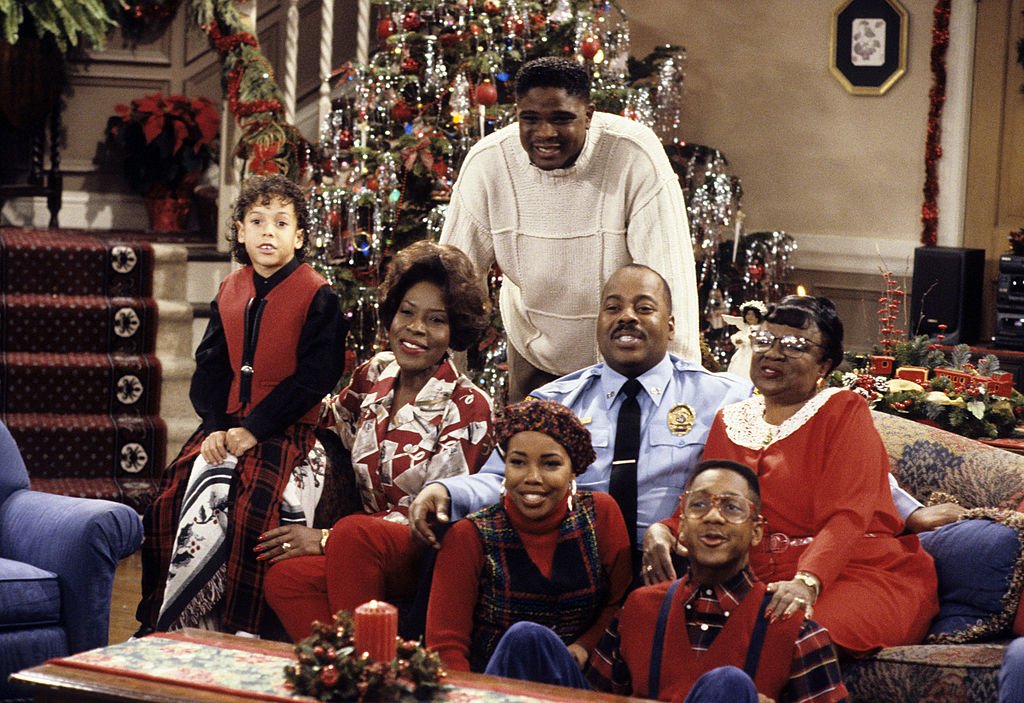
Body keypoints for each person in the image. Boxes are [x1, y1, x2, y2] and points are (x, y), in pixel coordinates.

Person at [643, 296, 939, 657]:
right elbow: (709, 501)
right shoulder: (730, 420)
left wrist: (807, 581)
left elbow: (848, 514)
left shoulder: (843, 411)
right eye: (765, 341)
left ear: (824, 365)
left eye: (795, 346)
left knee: (779, 632)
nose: (773, 354)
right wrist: (665, 529)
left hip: (858, 574)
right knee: (648, 614)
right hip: (756, 581)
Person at [410, 264, 752, 569]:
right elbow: (502, 478)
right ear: (600, 323)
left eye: (644, 308)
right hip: (575, 570)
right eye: (613, 308)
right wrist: (446, 491)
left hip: (675, 565)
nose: (627, 317)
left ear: (671, 325)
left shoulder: (725, 397)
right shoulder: (554, 403)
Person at [136, 174, 347, 636]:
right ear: (240, 231)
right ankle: (169, 621)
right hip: (226, 423)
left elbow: (317, 376)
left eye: (280, 222)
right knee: (169, 498)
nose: (268, 232)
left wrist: (256, 427)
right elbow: (210, 366)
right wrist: (214, 425)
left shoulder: (318, 295)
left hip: (284, 424)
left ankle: (242, 627)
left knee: (253, 506)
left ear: (299, 236)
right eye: (257, 221)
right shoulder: (230, 288)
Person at [262, 240, 495, 642]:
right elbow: (328, 419)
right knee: (287, 577)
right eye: (407, 312)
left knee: (353, 534)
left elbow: (440, 517)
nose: (416, 328)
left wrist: (326, 538)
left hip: (427, 553)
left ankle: (370, 673)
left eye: (436, 320)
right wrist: (256, 414)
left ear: (455, 331)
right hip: (362, 550)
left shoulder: (469, 406)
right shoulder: (375, 375)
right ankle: (350, 669)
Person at [440, 56, 700, 402]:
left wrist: (678, 402)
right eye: (530, 119)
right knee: (528, 453)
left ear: (588, 115)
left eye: (562, 119)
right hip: (534, 353)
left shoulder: (635, 155)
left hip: (625, 357)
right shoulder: (489, 162)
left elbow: (671, 284)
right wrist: (443, 392)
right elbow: (450, 283)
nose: (545, 133)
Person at [586, 459, 849, 702]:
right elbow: (592, 698)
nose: (713, 516)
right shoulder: (639, 608)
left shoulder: (794, 629)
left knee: (728, 684)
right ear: (683, 527)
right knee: (543, 644)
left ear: (756, 532)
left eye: (731, 507)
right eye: (699, 505)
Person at [425, 400, 632, 685]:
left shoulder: (601, 514)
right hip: (495, 689)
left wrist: (585, 646)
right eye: (518, 463)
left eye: (550, 464)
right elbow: (446, 646)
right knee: (525, 638)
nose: (532, 478)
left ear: (573, 471)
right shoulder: (469, 536)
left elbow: (619, 605)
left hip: (576, 685)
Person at [724, 300, 767, 381]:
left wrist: (754, 339)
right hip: (743, 354)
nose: (750, 317)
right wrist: (737, 340)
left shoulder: (761, 328)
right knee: (740, 370)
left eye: (753, 315)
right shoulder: (745, 328)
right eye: (748, 314)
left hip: (756, 354)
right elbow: (738, 335)